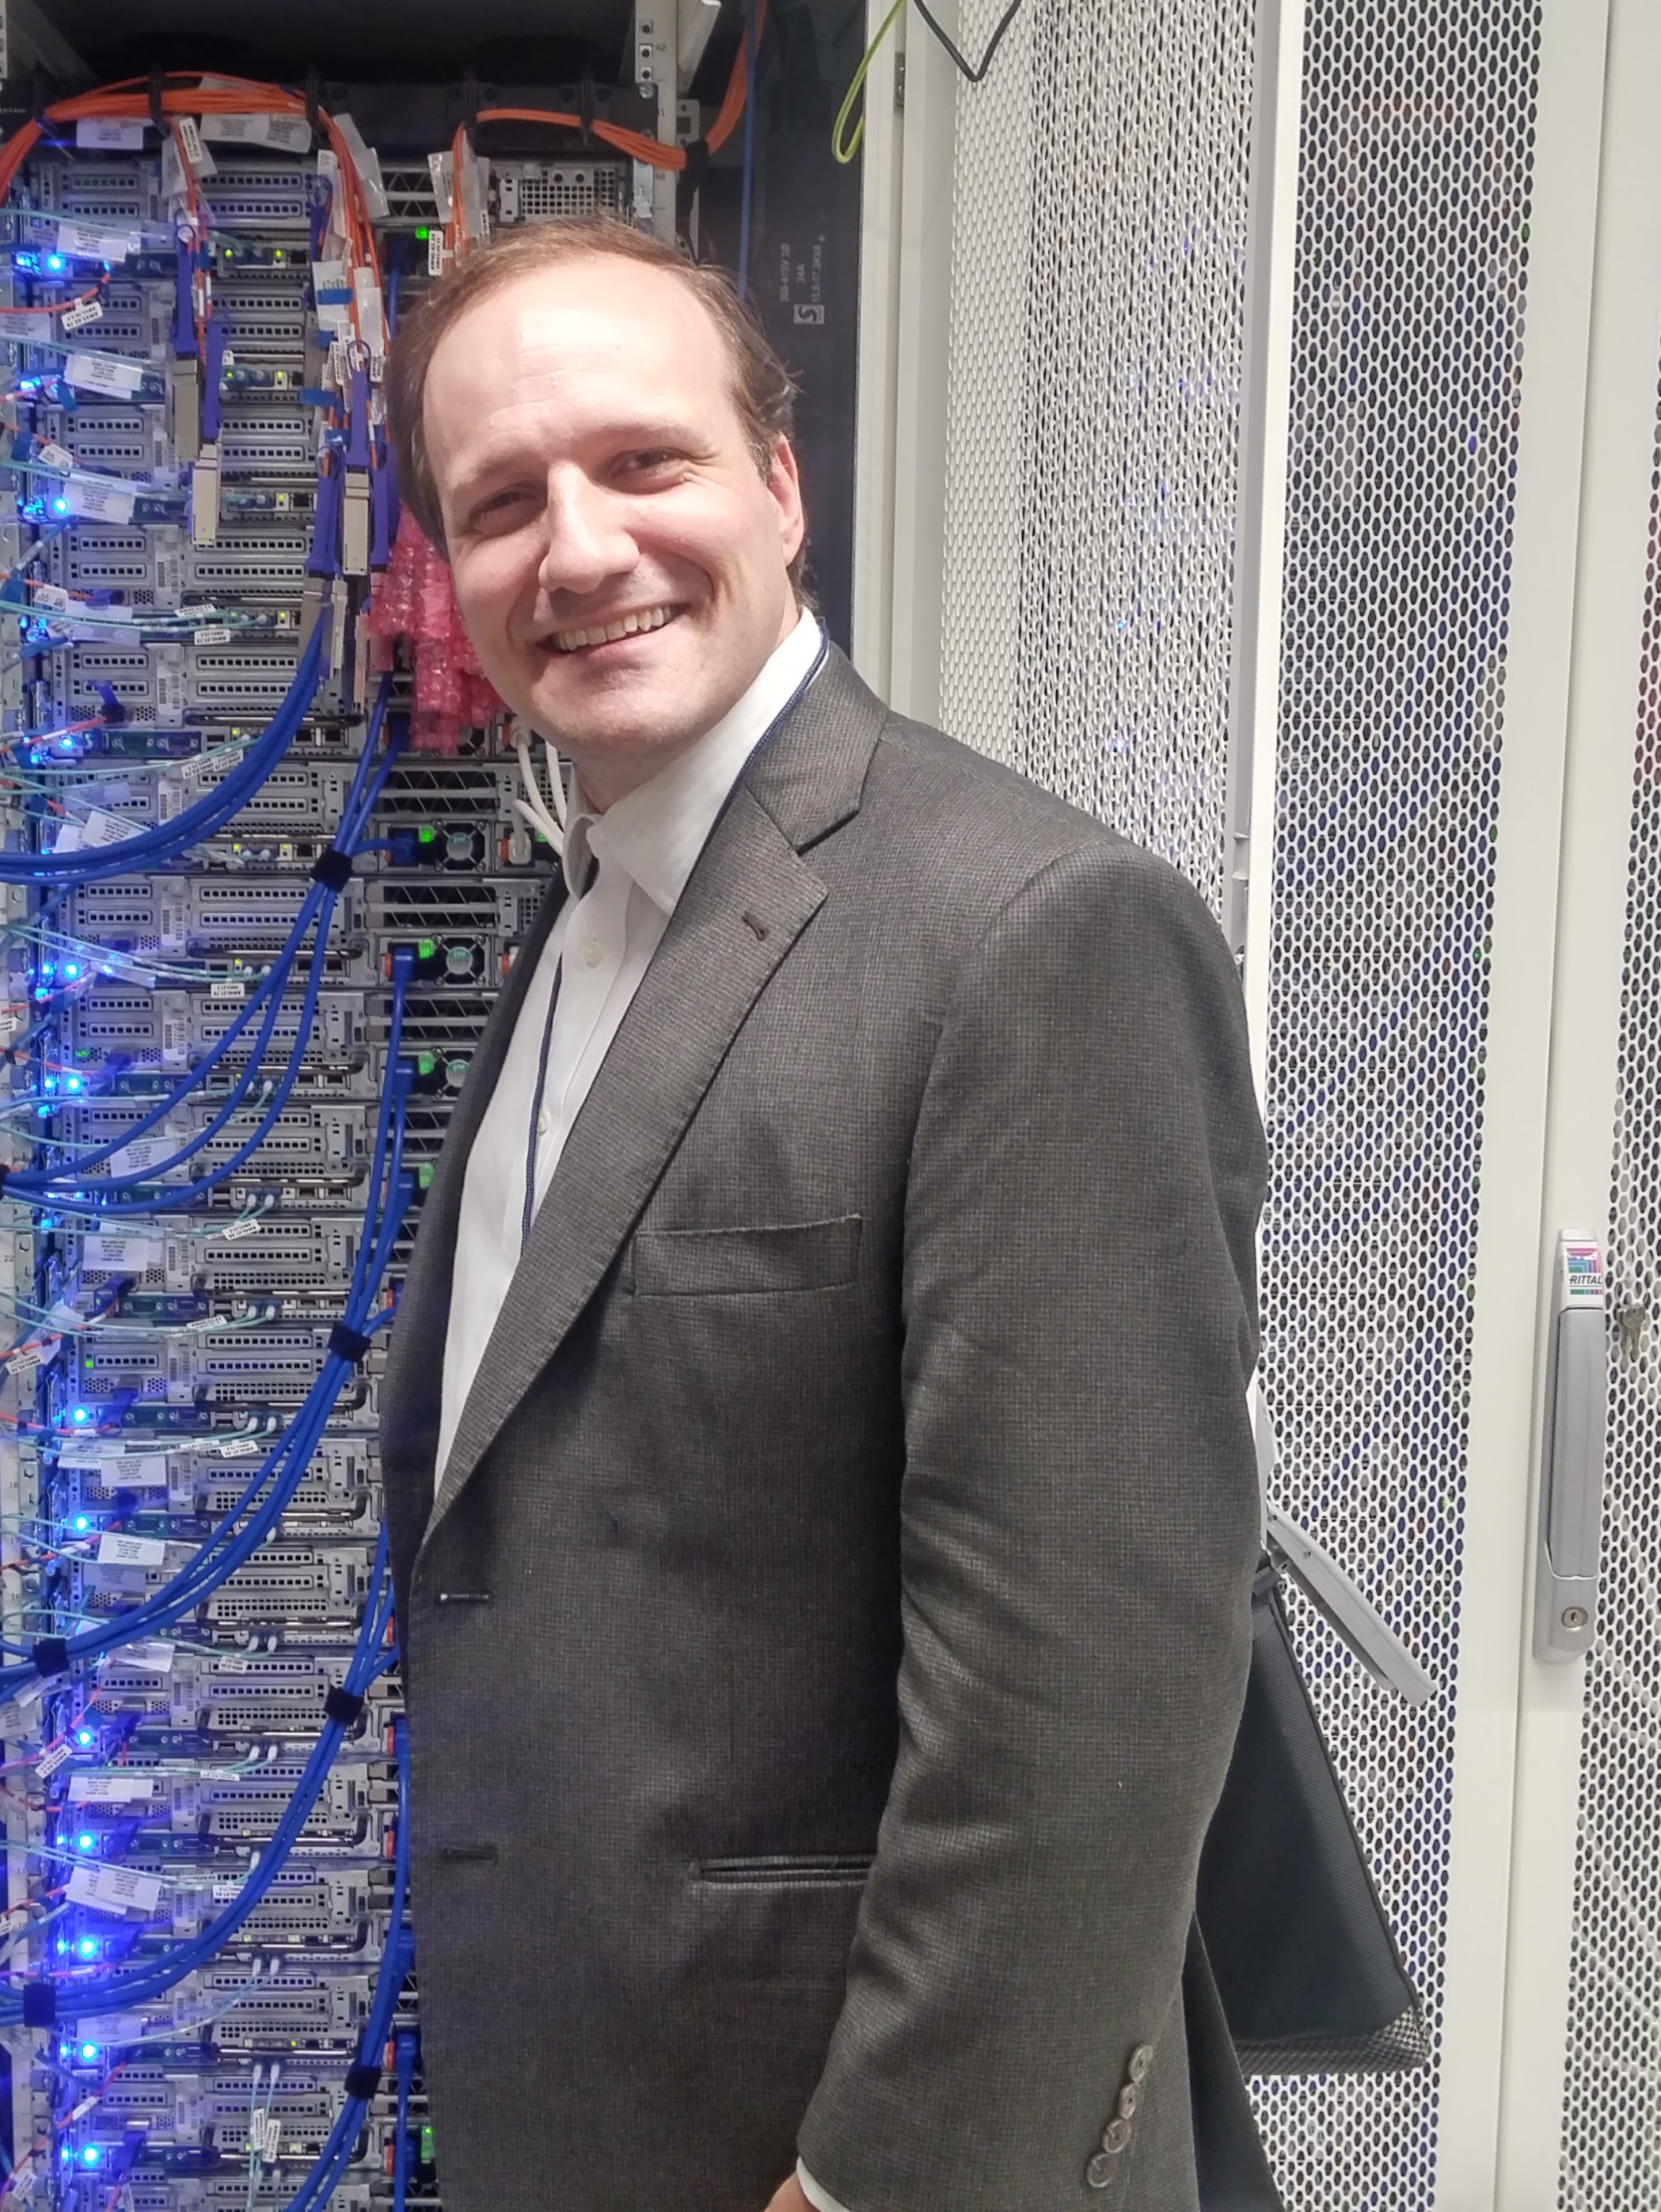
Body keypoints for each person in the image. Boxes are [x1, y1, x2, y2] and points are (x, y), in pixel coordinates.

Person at [374, 216, 1272, 2212]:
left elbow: (1092, 1697)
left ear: (781, 487)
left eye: (643, 462)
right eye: (500, 502)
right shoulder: (589, 905)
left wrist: (888, 2183)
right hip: (600, 2108)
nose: (580, 549)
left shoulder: (1028, 934)